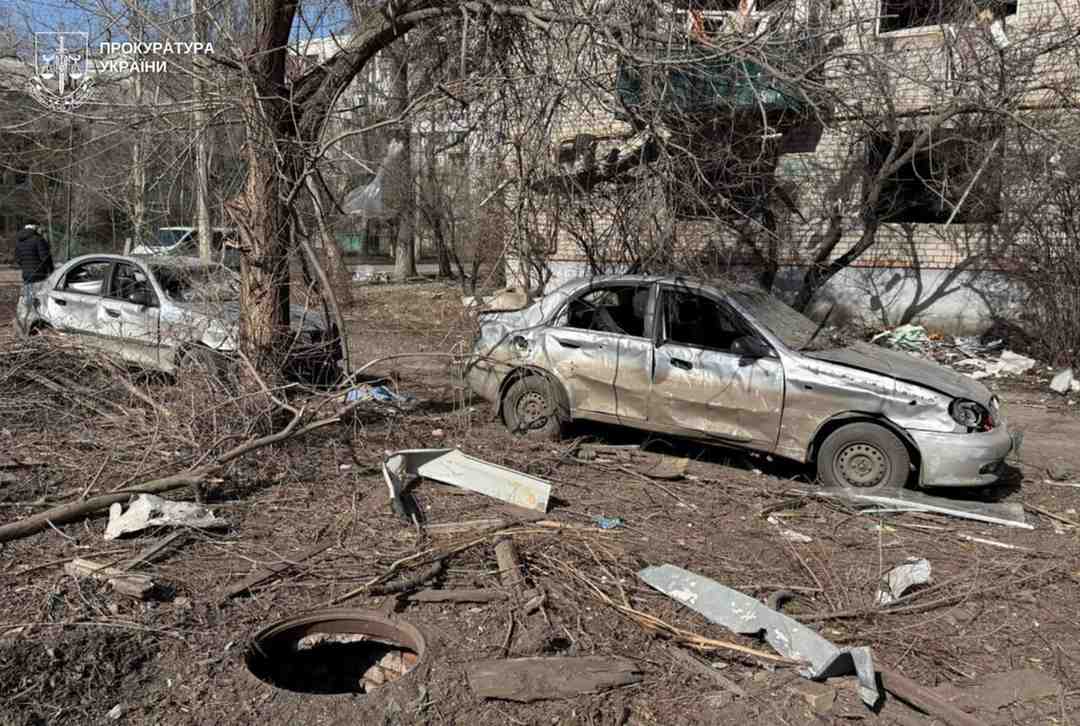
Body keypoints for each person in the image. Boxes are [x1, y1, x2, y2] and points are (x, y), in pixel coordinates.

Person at [14, 222, 54, 324]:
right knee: (41, 298)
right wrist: (51, 271)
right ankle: (41, 320)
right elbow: (45, 258)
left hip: (26, 274)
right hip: (39, 274)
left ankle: (27, 321)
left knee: (29, 298)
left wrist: (25, 267)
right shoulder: (38, 239)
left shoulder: (19, 241)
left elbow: (18, 259)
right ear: (34, 226)